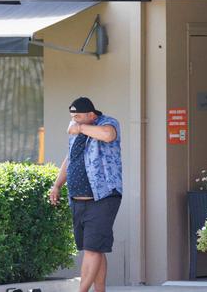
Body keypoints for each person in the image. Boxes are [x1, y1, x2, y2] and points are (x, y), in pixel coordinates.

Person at [49, 97, 123, 292]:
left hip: (103, 197)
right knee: (95, 249)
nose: (75, 121)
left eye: (79, 117)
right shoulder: (77, 129)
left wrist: (79, 128)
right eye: (73, 117)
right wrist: (57, 185)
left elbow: (108, 135)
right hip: (77, 198)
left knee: (92, 250)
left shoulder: (107, 123)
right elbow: (70, 158)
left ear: (92, 115)